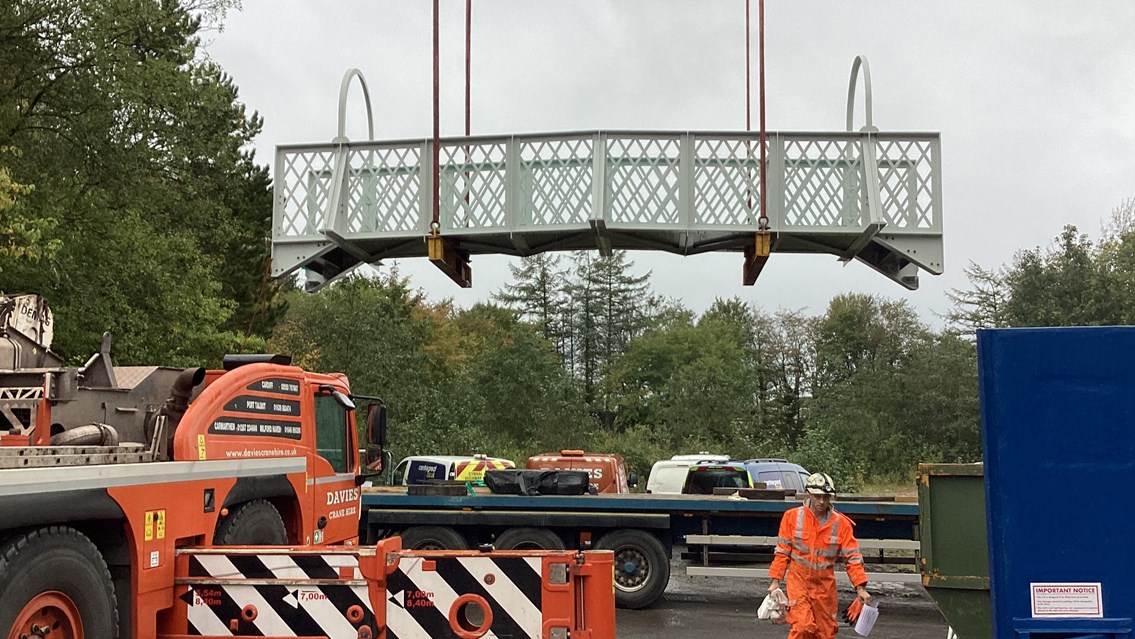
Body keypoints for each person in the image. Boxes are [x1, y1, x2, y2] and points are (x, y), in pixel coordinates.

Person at [766, 472, 871, 639]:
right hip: (798, 581)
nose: (822, 501)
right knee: (802, 627)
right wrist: (775, 581)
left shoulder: (841, 524)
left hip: (824, 587)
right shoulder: (792, 517)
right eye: (818, 496)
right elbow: (782, 552)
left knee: (825, 632)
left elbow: (853, 558)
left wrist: (861, 588)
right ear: (809, 494)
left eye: (826, 497)